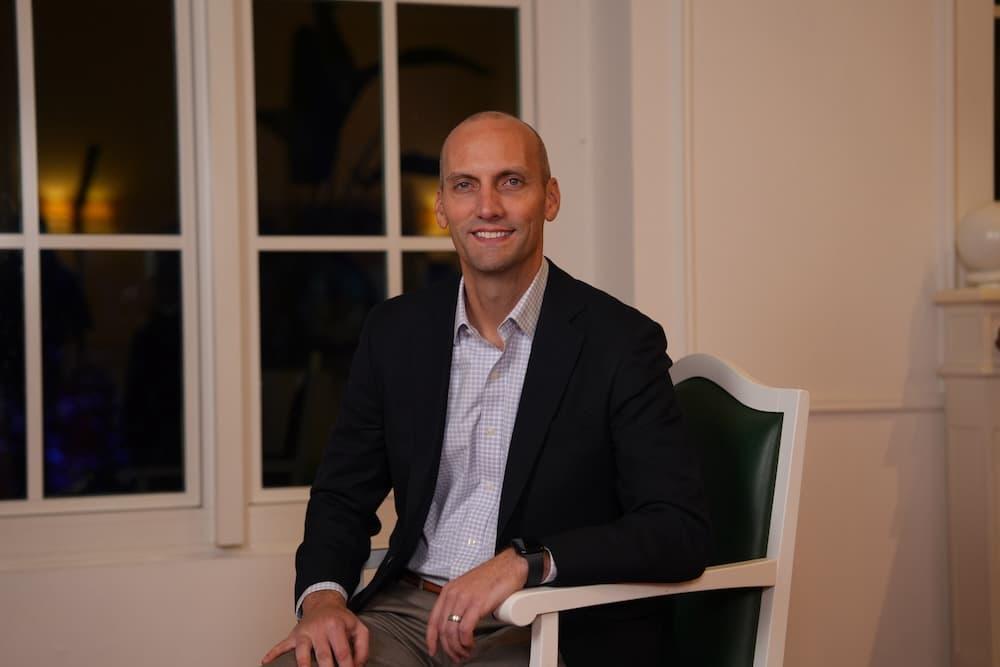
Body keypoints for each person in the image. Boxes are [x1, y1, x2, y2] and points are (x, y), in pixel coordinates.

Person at [261, 111, 710, 667]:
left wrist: (527, 561)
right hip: (408, 615)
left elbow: (677, 529)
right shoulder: (395, 332)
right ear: (442, 208)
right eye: (465, 186)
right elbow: (342, 496)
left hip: (550, 623)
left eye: (512, 182)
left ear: (550, 199)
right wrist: (323, 600)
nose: (488, 207)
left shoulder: (621, 341)